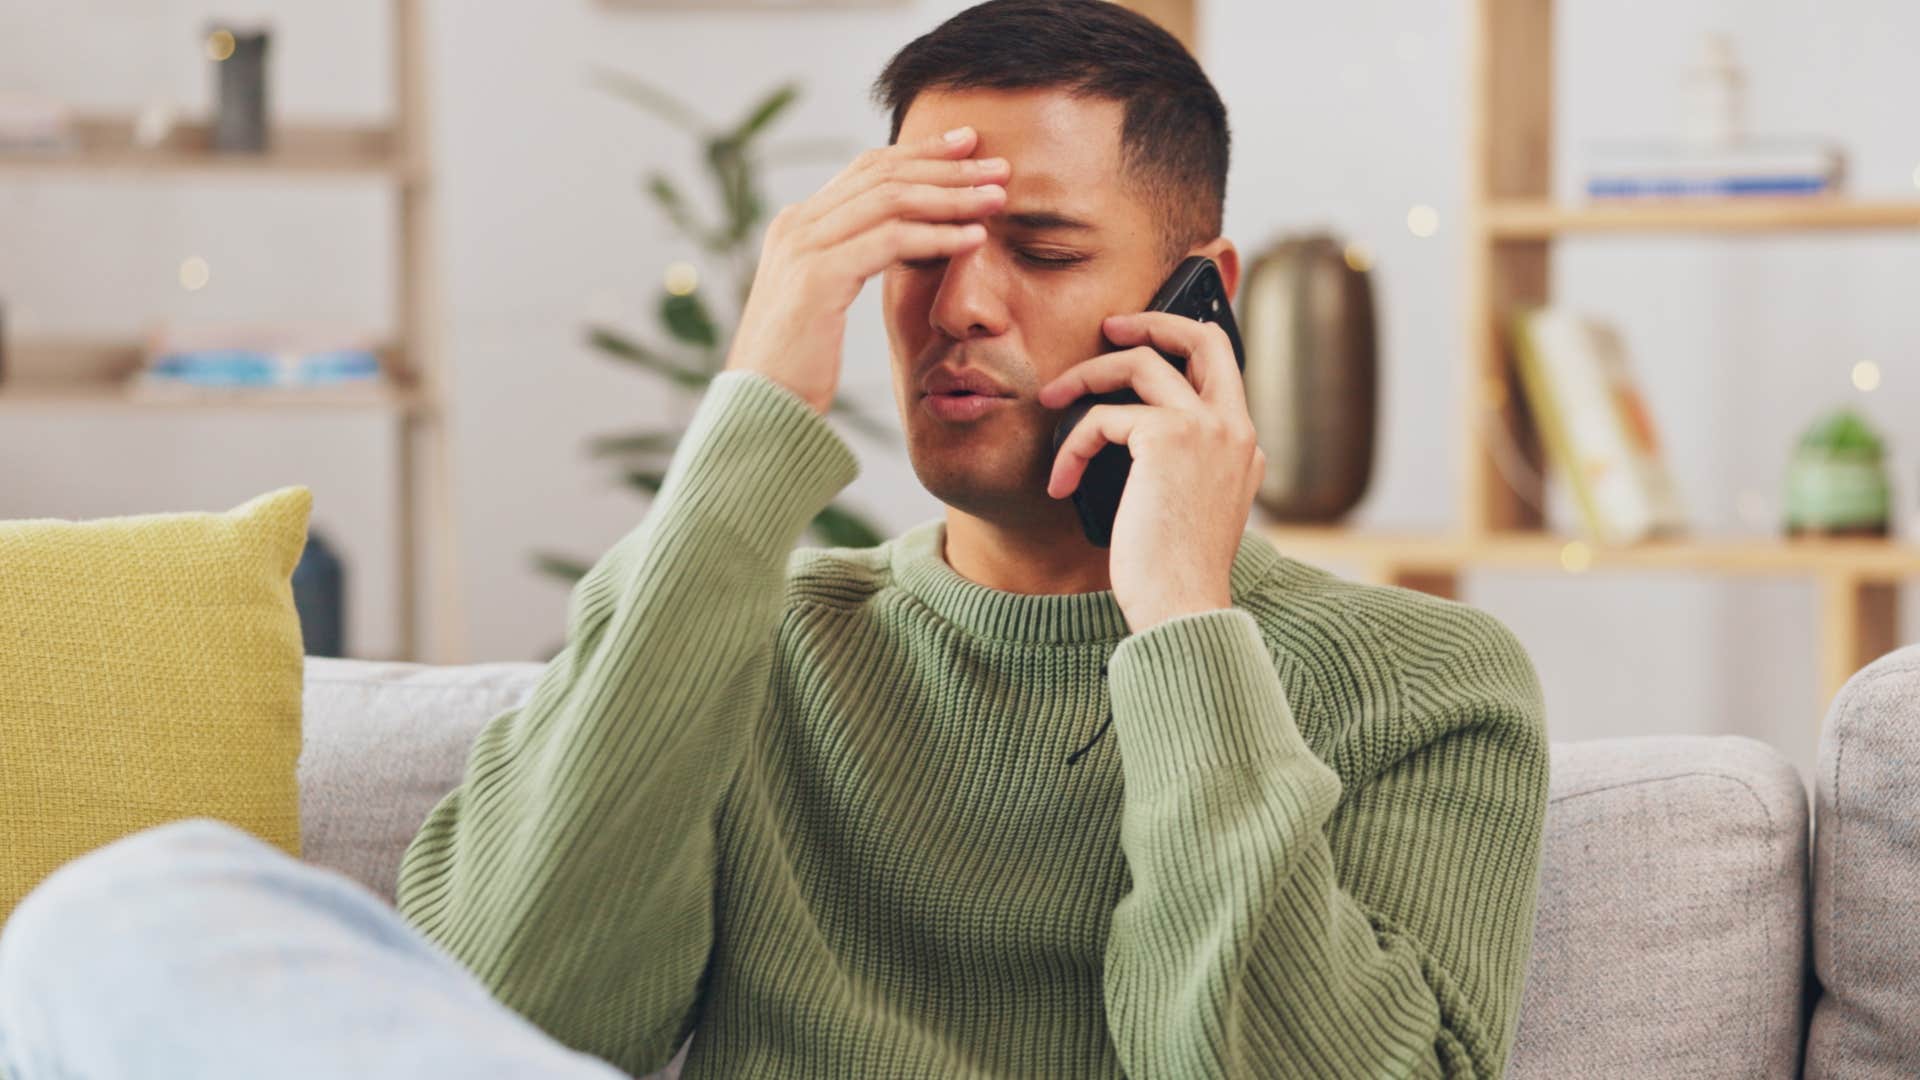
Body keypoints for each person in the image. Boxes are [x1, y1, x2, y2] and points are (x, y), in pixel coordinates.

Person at [0, 1, 1549, 1077]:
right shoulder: (770, 630)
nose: (962, 305)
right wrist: (753, 418)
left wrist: (1183, 626)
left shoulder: (1425, 680)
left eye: (1044, 248)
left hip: (1210, 630)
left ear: (1198, 292)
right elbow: (509, 1005)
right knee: (130, 906)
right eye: (920, 247)